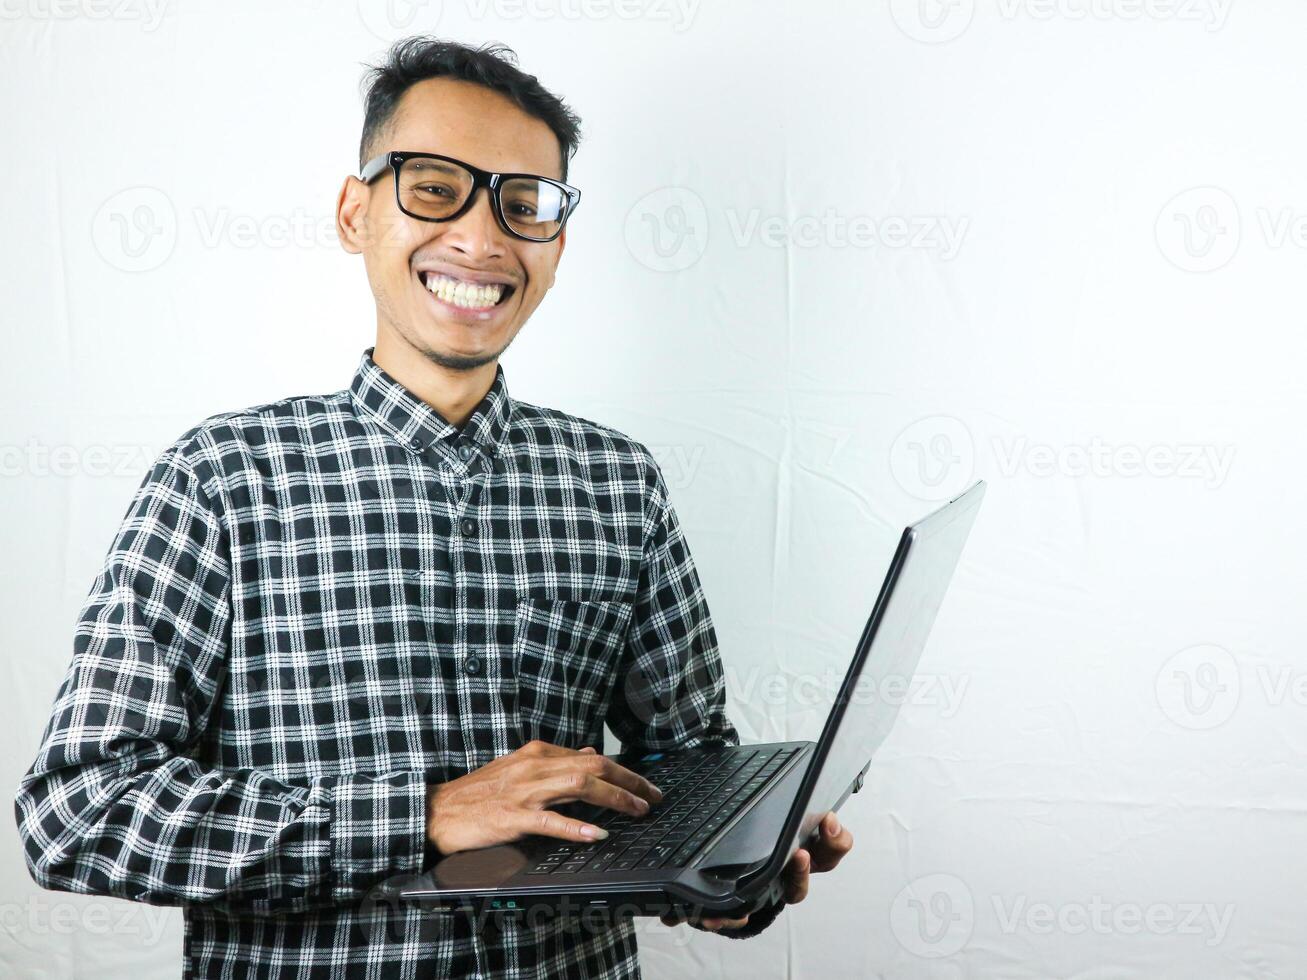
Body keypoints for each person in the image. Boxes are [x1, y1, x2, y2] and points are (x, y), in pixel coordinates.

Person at [14, 36, 853, 978]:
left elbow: (683, 769)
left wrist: (733, 872)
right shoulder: (222, 477)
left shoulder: (618, 483)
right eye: (434, 186)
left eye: (522, 204)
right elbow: (77, 811)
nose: (482, 236)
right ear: (354, 210)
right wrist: (420, 814)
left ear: (555, 244)